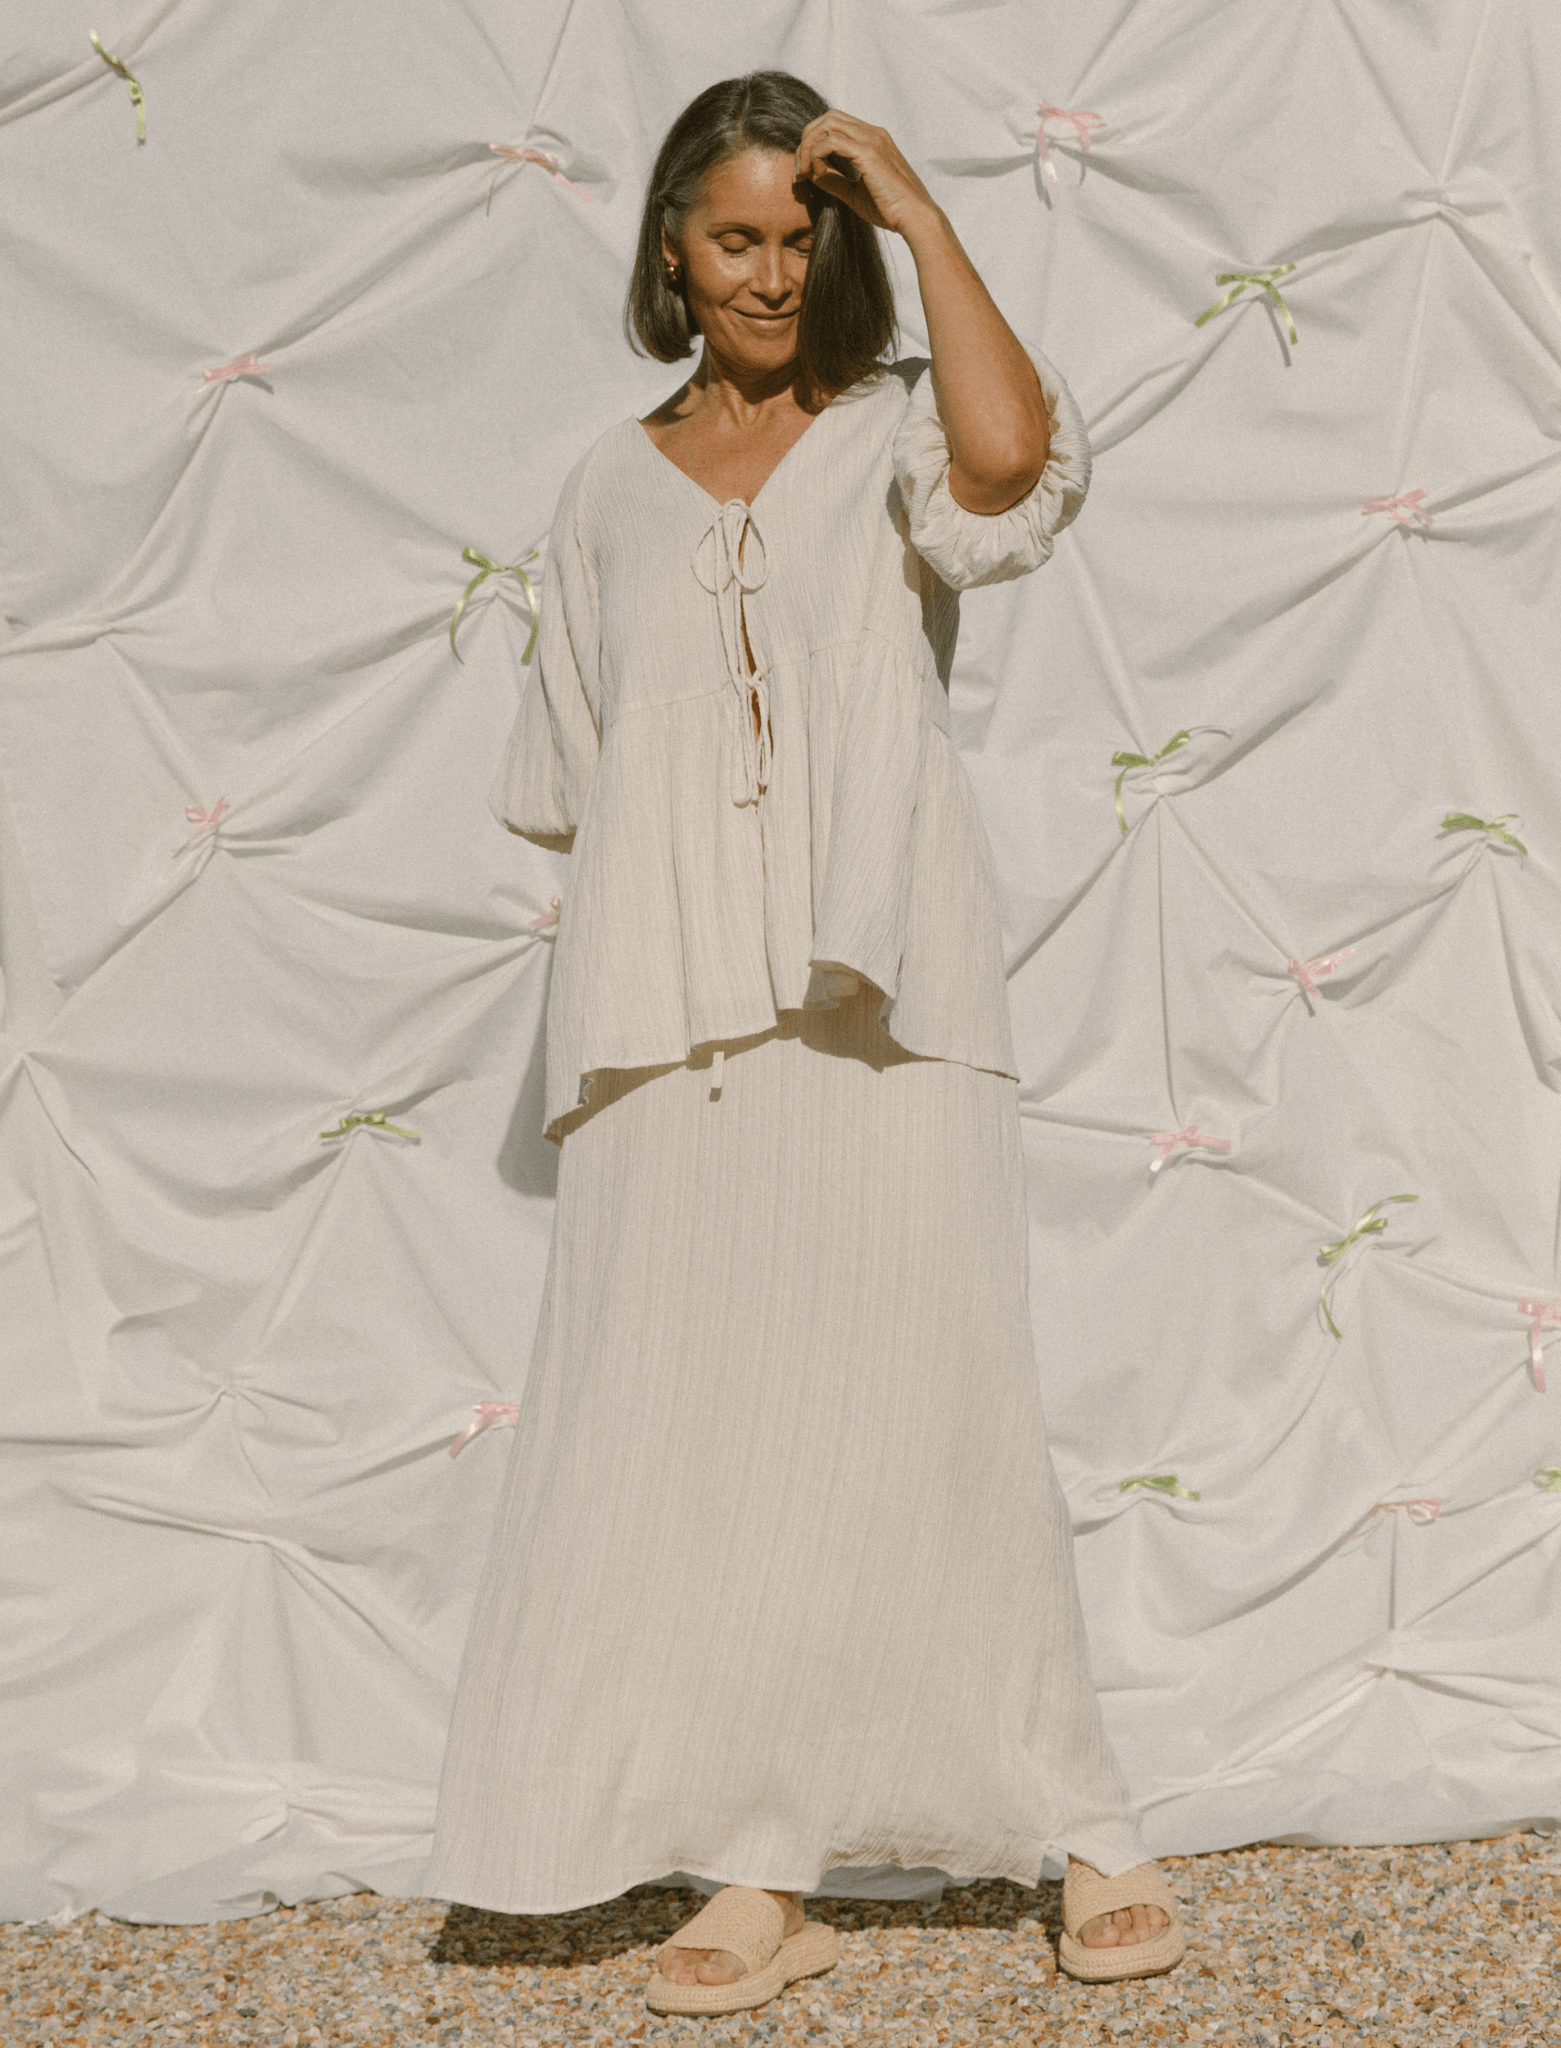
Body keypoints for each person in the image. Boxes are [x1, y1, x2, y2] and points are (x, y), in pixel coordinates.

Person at [423, 70, 1185, 2018]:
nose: (769, 273)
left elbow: (1009, 469)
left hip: (887, 993)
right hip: (668, 1014)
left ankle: (1083, 1812)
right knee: (705, 1440)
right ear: (674, 253)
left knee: (940, 1405)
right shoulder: (604, 489)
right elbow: (589, 780)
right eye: (735, 236)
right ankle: (763, 1854)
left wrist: (919, 214)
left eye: (800, 237)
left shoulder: (894, 428)